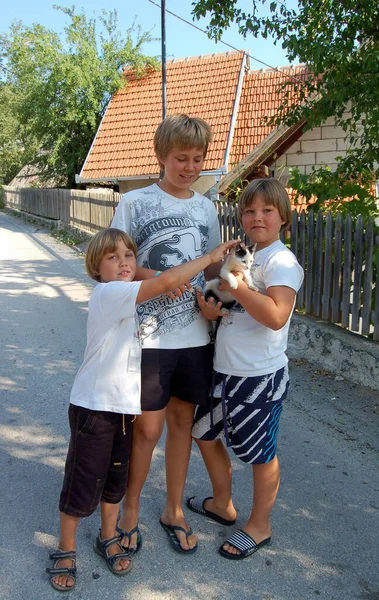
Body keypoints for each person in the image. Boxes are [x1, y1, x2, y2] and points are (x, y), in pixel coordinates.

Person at [46, 227, 236, 592]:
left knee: (116, 477)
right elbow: (164, 280)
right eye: (112, 257)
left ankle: (107, 535)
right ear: (95, 268)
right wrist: (211, 260)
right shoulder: (109, 294)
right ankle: (65, 547)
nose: (123, 263)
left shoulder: (124, 290)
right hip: (94, 408)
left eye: (128, 256)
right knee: (83, 480)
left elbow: (154, 279)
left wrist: (160, 279)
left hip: (122, 408)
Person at [111, 113, 221, 554]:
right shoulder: (135, 204)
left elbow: (211, 267)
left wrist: (220, 297)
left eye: (198, 159)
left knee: (181, 424)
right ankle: (130, 509)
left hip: (195, 338)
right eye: (181, 158)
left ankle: (173, 509)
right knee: (147, 430)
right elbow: (116, 265)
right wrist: (161, 277)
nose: (190, 167)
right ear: (162, 156)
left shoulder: (206, 208)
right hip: (149, 335)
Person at [188, 178, 304, 560]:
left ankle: (259, 526)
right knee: (203, 433)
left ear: (282, 217)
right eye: (250, 211)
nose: (257, 217)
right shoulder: (244, 253)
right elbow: (224, 304)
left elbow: (275, 316)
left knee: (260, 454)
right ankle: (223, 505)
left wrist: (235, 286)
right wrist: (212, 308)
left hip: (259, 379)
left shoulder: (282, 262)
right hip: (226, 371)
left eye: (267, 211)